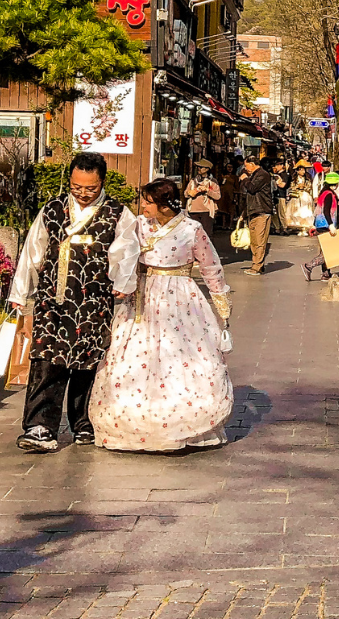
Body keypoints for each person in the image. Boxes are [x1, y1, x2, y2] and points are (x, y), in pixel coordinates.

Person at [88, 179, 235, 452]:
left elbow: (211, 267)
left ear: (164, 204)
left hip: (180, 300)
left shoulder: (192, 230)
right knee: (132, 359)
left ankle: (184, 423)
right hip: (141, 297)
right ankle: (131, 424)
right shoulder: (137, 226)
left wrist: (221, 304)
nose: (142, 206)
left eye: (147, 201)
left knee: (182, 357)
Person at [7, 152, 139, 453]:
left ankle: (84, 423)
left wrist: (123, 283)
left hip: (94, 301)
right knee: (47, 362)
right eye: (76, 187)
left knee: (88, 364)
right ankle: (40, 426)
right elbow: (32, 252)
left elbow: (128, 251)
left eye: (90, 188)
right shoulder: (52, 209)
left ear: (102, 182)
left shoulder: (118, 213)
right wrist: (21, 295)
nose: (82, 194)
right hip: (52, 300)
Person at [240, 147, 276, 274]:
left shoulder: (262, 175)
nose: (245, 169)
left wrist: (244, 178)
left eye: (246, 166)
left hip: (262, 210)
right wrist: (243, 214)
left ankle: (257, 266)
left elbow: (252, 189)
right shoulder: (255, 175)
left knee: (259, 240)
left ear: (251, 164)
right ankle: (257, 264)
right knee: (254, 240)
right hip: (254, 210)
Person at [184, 158, 221, 239]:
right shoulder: (193, 181)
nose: (198, 169)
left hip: (206, 211)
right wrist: (190, 193)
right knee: (192, 234)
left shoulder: (213, 182)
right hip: (193, 210)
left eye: (201, 167)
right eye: (198, 167)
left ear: (207, 169)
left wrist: (207, 191)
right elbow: (185, 194)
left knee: (206, 234)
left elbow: (218, 196)